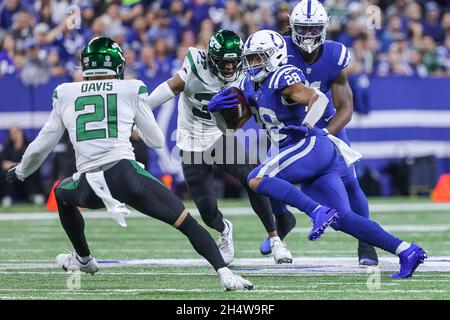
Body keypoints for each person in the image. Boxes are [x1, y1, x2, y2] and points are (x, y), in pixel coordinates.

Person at [5, 36, 253, 291]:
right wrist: (133, 129)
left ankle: (85, 259)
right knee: (186, 222)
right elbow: (156, 140)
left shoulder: (64, 92)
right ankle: (225, 274)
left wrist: (21, 170)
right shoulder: (131, 88)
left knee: (61, 193)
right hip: (126, 177)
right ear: (117, 65)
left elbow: (41, 145)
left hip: (88, 184)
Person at [208, 29, 427, 279]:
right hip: (306, 155)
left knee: (257, 178)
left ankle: (314, 212)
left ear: (274, 56)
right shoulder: (250, 84)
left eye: (258, 58)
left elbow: (319, 98)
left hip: (310, 145)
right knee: (343, 219)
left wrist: (307, 125)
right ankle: (406, 250)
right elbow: (230, 130)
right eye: (249, 58)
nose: (251, 64)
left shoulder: (282, 75)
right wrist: (216, 112)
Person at [146, 30, 293, 264]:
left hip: (219, 135)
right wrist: (142, 109)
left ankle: (275, 239)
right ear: (212, 58)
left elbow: (237, 122)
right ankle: (224, 230)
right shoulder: (196, 63)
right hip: (191, 139)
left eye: (233, 62)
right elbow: (171, 87)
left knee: (251, 176)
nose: (229, 67)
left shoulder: (246, 71)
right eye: (224, 62)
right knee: (207, 210)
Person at [259, 0, 378, 266]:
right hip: (286, 128)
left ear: (325, 28)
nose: (309, 35)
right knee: (266, 181)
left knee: (349, 182)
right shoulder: (278, 48)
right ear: (292, 27)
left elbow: (346, 106)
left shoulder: (335, 54)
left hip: (323, 123)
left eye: (314, 29)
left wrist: (323, 133)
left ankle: (366, 243)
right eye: (303, 28)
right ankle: (282, 222)